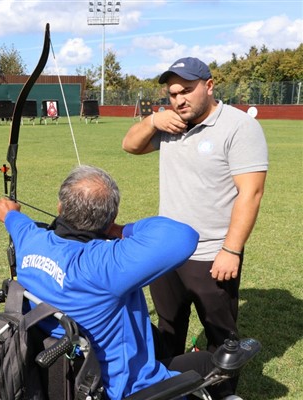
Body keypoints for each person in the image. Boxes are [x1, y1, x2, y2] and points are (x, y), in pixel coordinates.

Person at [0, 165, 235, 400]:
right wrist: (120, 230)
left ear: (60, 207)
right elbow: (184, 236)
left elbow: (16, 222)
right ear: (111, 217)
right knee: (206, 362)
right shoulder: (104, 263)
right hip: (123, 389)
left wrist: (10, 213)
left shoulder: (30, 241)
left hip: (70, 376)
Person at [121, 57, 268, 364]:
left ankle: (223, 393)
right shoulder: (171, 122)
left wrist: (231, 249)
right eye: (173, 94)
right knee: (168, 326)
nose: (179, 100)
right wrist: (151, 121)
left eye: (186, 90)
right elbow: (130, 146)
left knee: (221, 336)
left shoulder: (239, 127)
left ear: (209, 86)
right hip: (167, 251)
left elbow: (251, 193)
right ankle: (168, 386)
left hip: (212, 253)